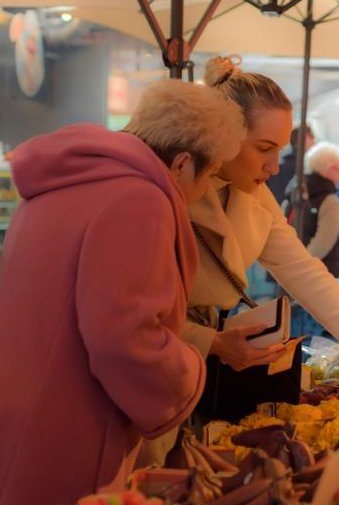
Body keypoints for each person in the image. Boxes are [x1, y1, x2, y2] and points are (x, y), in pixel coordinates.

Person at [138, 56, 339, 465]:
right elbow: (132, 312)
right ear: (224, 135)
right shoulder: (168, 189)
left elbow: (305, 271)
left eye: (280, 150)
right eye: (263, 148)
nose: (274, 165)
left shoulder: (254, 196)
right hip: (148, 365)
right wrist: (210, 341)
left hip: (203, 372)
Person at [0, 80, 245, 505]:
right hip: (72, 420)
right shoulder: (139, 200)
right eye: (210, 175)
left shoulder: (59, 183)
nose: (205, 190)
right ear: (183, 163)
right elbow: (126, 336)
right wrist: (188, 373)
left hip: (21, 402)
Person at [301, 142, 339, 276]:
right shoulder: (330, 201)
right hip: (321, 273)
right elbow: (321, 245)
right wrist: (301, 268)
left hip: (295, 272)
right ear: (330, 169)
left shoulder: (297, 191)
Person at [267, 124, 314, 207]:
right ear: (301, 140)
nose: (313, 140)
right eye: (310, 137)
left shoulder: (284, 161)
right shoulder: (299, 165)